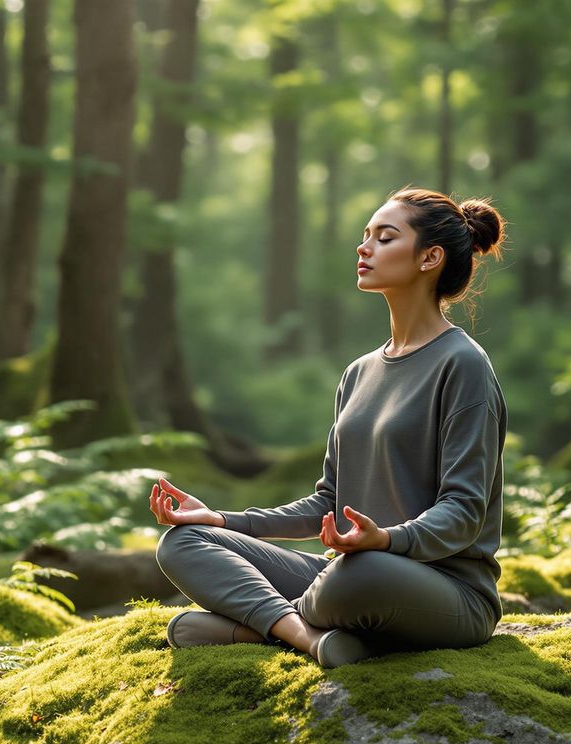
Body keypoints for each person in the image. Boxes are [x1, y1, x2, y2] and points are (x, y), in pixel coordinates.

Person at [150, 186, 509, 668]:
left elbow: (464, 511)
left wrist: (385, 539)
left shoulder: (463, 364)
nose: (364, 248)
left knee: (354, 575)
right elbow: (328, 502)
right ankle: (309, 636)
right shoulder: (359, 372)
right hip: (347, 576)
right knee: (183, 542)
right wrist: (223, 520)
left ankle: (259, 627)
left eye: (385, 238)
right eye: (365, 236)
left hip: (444, 593)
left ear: (430, 258)